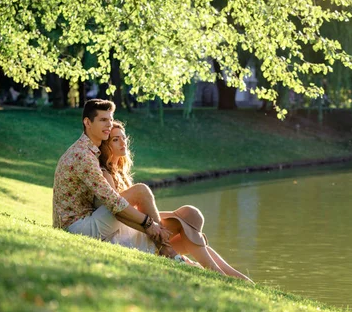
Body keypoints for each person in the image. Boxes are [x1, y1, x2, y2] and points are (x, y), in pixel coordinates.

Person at [98, 120, 254, 284]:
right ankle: (225, 277)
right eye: (115, 139)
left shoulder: (121, 173)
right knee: (188, 223)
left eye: (123, 138)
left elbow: (137, 209)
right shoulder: (105, 174)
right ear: (106, 145)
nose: (123, 142)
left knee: (190, 222)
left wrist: (174, 215)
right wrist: (169, 219)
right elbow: (121, 213)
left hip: (140, 229)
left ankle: (240, 279)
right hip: (126, 237)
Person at [53, 99, 172, 256]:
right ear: (87, 122)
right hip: (76, 227)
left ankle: (167, 249)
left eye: (110, 119)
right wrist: (148, 223)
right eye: (103, 120)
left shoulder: (89, 151)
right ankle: (167, 250)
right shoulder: (83, 155)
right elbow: (112, 201)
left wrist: (148, 225)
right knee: (140, 191)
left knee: (137, 208)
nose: (109, 124)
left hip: (84, 222)